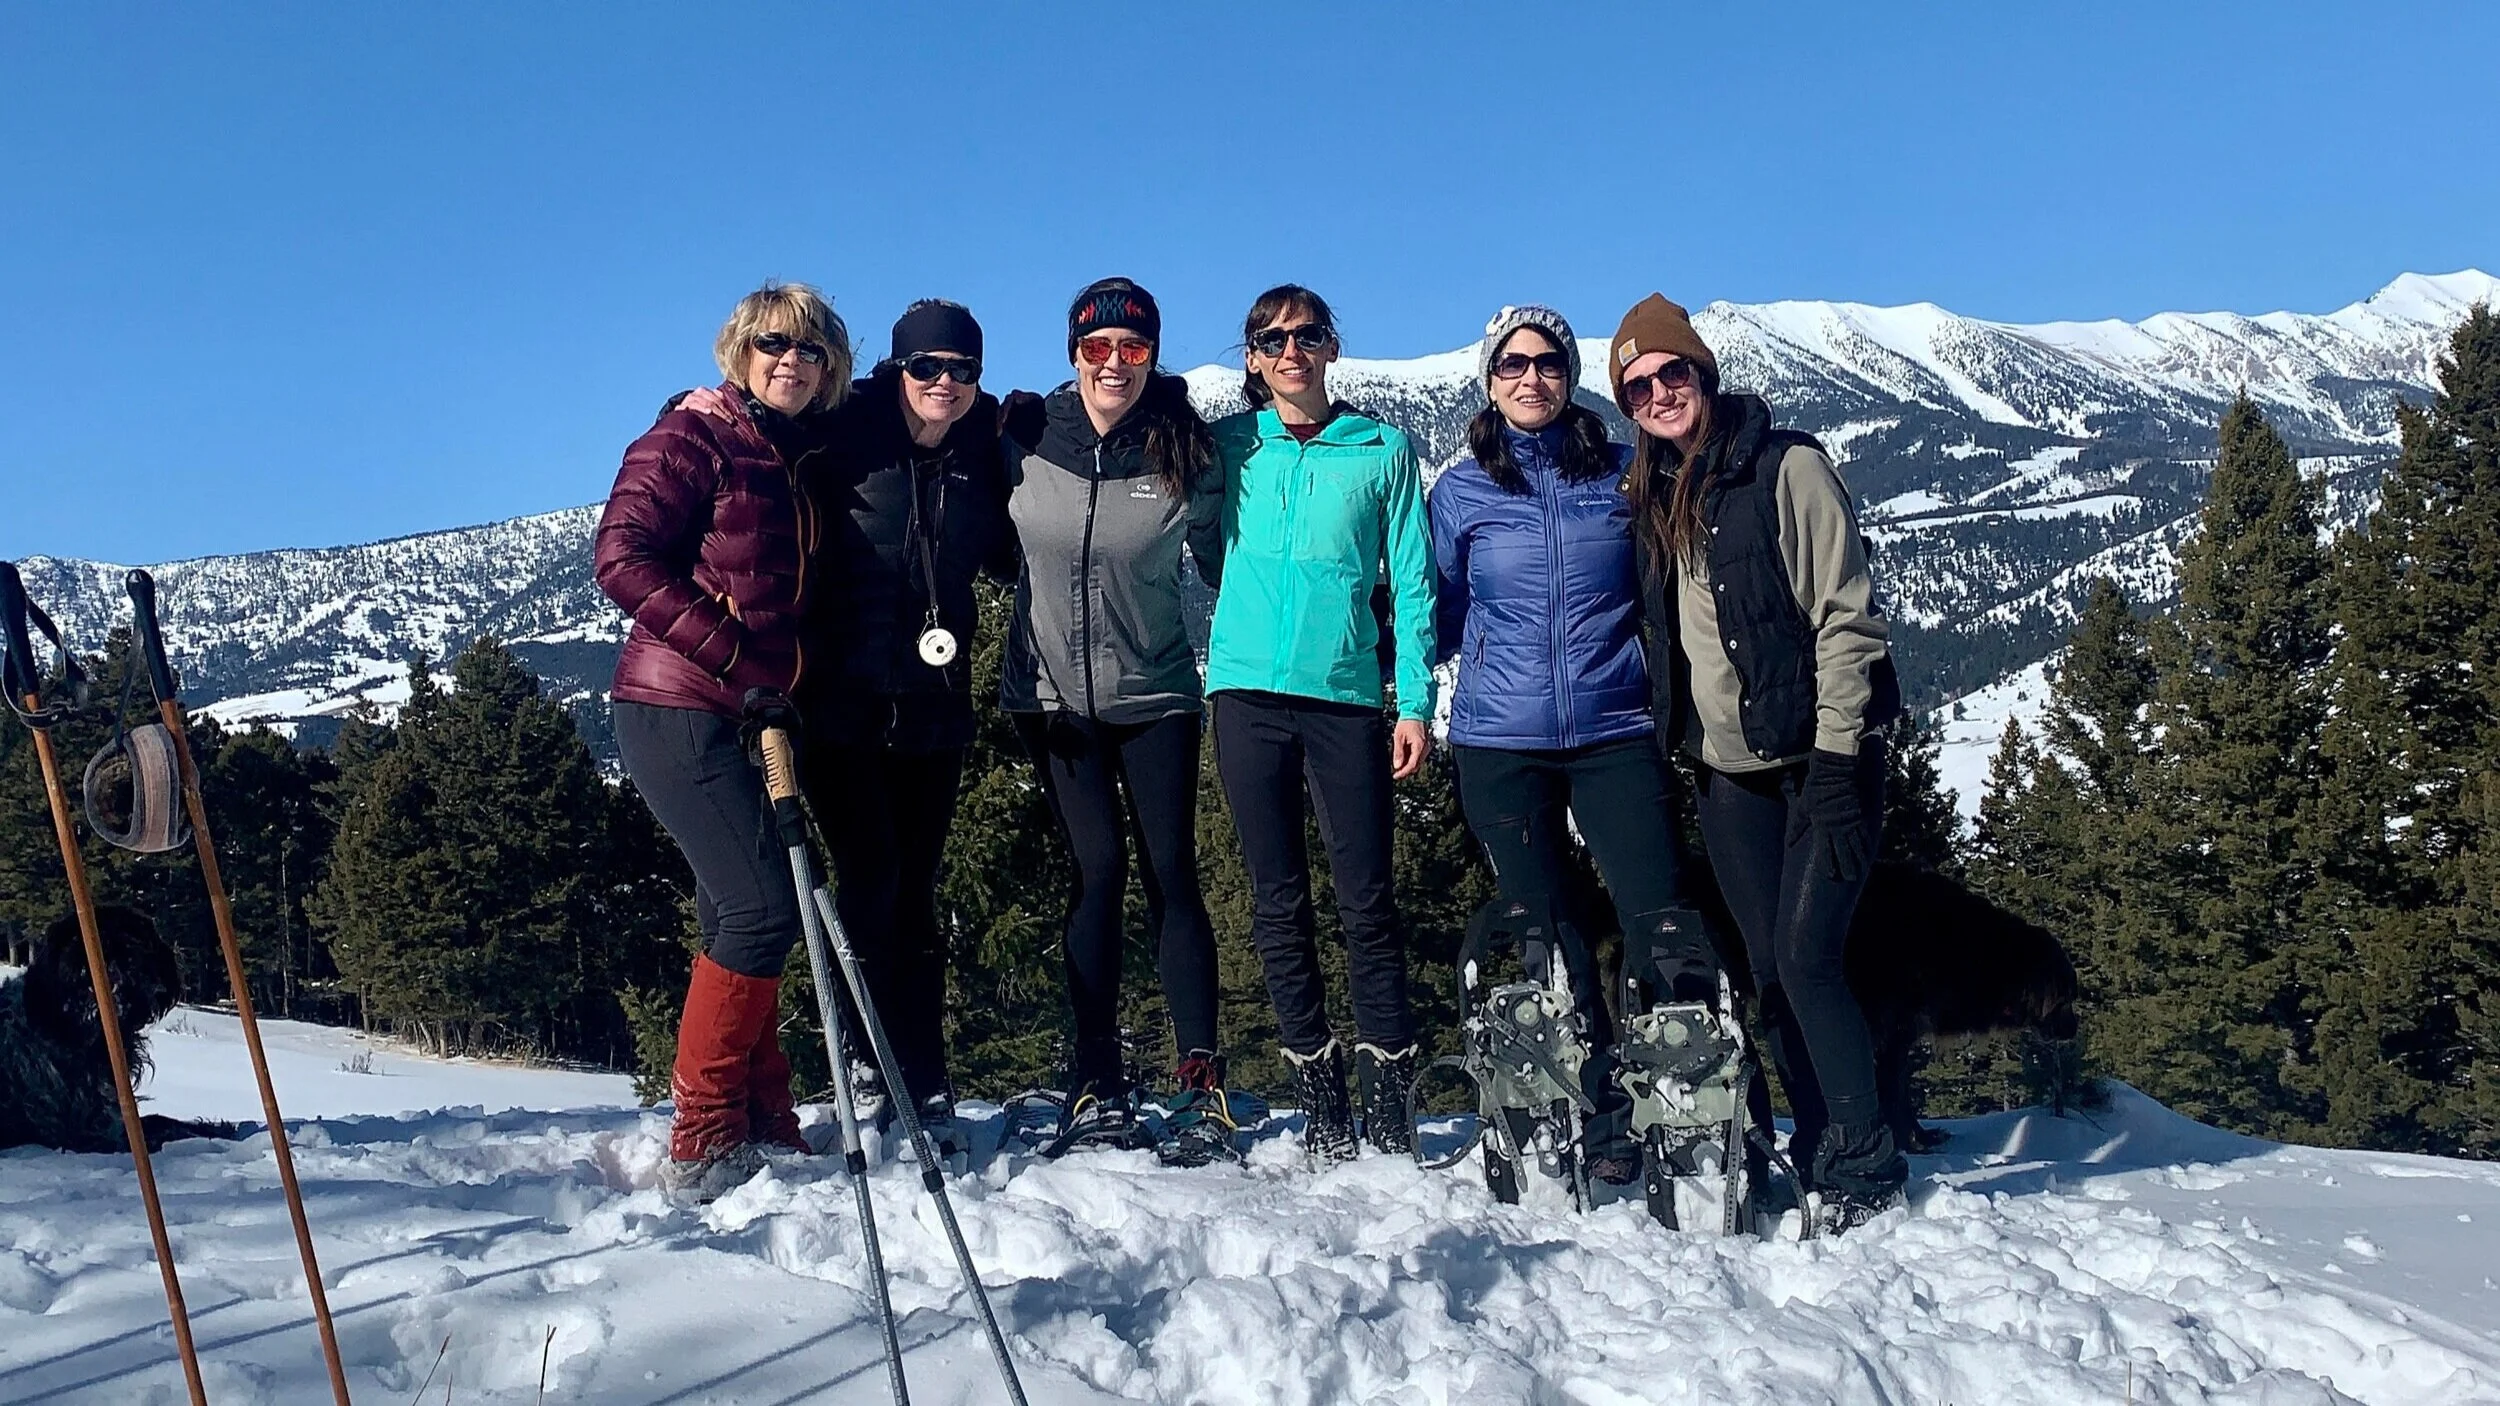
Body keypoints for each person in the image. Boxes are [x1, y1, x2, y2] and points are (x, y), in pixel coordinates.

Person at [1610, 291, 1908, 1228]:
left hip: (1822, 760)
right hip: (1728, 773)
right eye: (1638, 388)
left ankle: (1868, 1159)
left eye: (1671, 373)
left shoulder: (1788, 468)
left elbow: (1847, 619)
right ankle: (1818, 1145)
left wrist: (1839, 757)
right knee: (1771, 973)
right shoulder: (1654, 493)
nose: (1659, 394)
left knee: (1810, 958)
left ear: (1702, 372)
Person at [1427, 304, 1717, 1187]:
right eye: (1512, 365)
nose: (1531, 378)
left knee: (1658, 919)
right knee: (1548, 934)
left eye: (1548, 363)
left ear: (1571, 375)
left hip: (1614, 729)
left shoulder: (1626, 474)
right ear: (1489, 381)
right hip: (1499, 739)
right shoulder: (1461, 492)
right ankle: (1599, 1116)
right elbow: (1433, 616)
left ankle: (1685, 1101)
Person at [593, 280, 849, 1201]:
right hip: (679, 706)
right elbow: (620, 557)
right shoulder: (694, 436)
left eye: (811, 348)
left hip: (745, 712)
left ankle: (759, 1113)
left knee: (738, 915)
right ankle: (703, 1135)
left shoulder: (785, 450)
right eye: (774, 342)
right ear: (740, 349)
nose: (792, 360)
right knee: (762, 909)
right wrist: (737, 660)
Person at [999, 277, 1232, 1162]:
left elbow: (1226, 561)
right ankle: (1094, 1075)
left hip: (1156, 696)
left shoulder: (1183, 450)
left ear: (1152, 355)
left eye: (1133, 348)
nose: (1114, 364)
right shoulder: (1025, 437)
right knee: (1096, 872)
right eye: (1097, 348)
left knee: (1173, 875)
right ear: (1074, 355)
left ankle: (1200, 1080)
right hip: (1054, 702)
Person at [1206, 284, 1436, 1162]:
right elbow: (1192, 534)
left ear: (1332, 347)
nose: (1290, 351)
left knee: (1366, 899)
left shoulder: (1383, 449)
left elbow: (1412, 583)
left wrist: (1413, 701)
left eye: (1306, 336)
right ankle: (1320, 1096)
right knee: (1277, 902)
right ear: (1253, 359)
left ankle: (1390, 1098)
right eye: (1271, 340)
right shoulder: (1231, 445)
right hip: (1245, 695)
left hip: (1345, 695)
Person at [800, 299, 1010, 1156]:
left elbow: (1007, 554)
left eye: (962, 369)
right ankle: (861, 1057)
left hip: (934, 708)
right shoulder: (843, 432)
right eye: (927, 367)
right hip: (840, 705)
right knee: (870, 880)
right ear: (896, 370)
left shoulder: (983, 448)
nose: (944, 382)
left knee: (917, 895)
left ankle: (923, 1073)